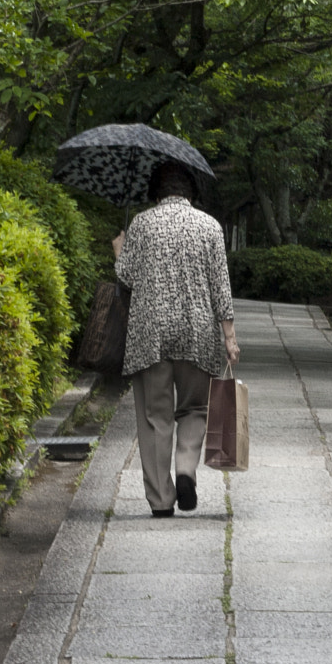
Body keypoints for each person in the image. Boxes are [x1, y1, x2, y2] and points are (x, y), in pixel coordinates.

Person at [111, 161, 241, 517]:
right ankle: (185, 468)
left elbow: (128, 276)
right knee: (196, 408)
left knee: (156, 417)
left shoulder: (141, 224)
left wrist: (120, 250)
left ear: (156, 191)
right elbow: (221, 287)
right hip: (198, 334)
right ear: (191, 192)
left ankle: (161, 500)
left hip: (150, 335)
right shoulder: (209, 226)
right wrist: (229, 337)